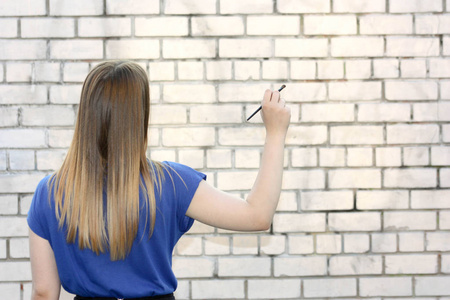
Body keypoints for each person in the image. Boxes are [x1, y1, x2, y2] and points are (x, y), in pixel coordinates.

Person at [27, 60, 291, 300]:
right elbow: (257, 216)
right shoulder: (172, 183)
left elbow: (44, 292)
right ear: (139, 116)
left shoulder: (50, 192)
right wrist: (276, 133)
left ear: (86, 114)